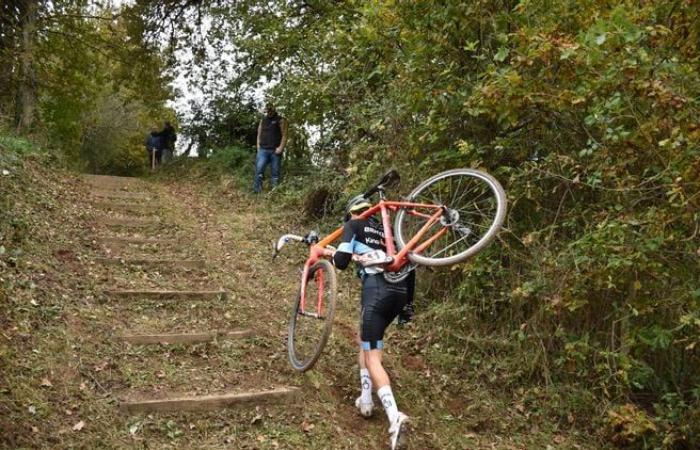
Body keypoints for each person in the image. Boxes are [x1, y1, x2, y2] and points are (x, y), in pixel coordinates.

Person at [325, 196, 411, 450]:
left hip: (375, 291)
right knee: (368, 344)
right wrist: (409, 306)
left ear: (351, 212)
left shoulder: (354, 225)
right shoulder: (387, 232)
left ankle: (395, 417)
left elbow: (340, 262)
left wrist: (333, 254)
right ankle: (365, 400)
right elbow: (410, 267)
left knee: (373, 357)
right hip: (400, 293)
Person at [253, 102, 287, 193]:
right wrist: (258, 147)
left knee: (275, 174)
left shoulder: (280, 120)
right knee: (259, 170)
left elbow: (284, 135)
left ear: (274, 109)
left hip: (275, 151)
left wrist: (280, 148)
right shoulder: (263, 120)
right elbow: (259, 135)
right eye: (268, 109)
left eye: (271, 109)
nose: (269, 111)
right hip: (263, 150)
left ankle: (274, 193)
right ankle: (257, 192)